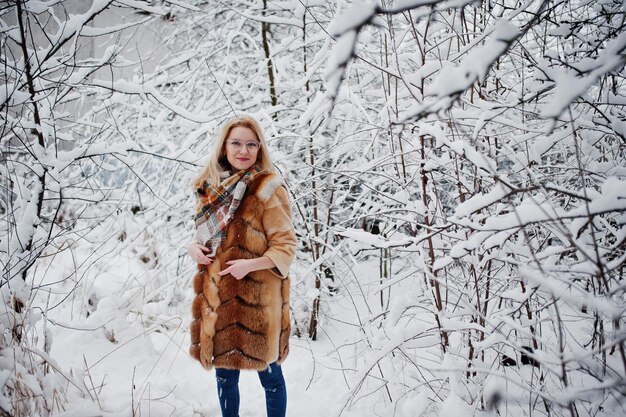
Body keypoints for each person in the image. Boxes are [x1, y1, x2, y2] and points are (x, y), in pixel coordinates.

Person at [187, 115, 296, 417]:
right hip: (219, 296)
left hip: (258, 303)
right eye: (236, 143)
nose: (243, 150)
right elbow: (204, 238)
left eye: (251, 144)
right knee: (224, 375)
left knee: (270, 376)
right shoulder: (209, 189)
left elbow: (286, 247)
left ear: (259, 149)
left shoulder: (267, 189)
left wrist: (249, 265)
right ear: (224, 147)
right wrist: (192, 248)